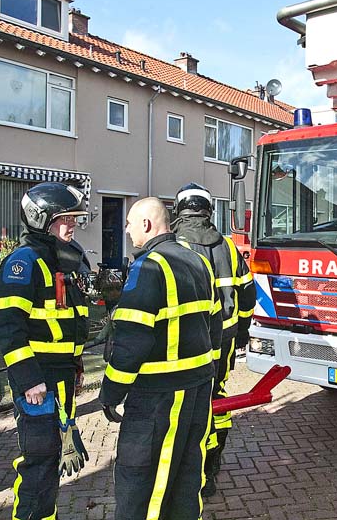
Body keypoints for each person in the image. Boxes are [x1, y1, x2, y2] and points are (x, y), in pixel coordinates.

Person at [99, 197, 222, 520]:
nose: (125, 230)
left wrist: (111, 394)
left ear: (147, 225)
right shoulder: (199, 262)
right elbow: (216, 324)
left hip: (158, 398)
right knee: (185, 478)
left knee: (143, 483)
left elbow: (131, 342)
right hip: (197, 390)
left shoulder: (149, 266)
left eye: (129, 223)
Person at [0, 182, 91, 520]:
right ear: (41, 219)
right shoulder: (24, 262)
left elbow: (69, 322)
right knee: (39, 459)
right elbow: (8, 327)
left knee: (54, 455)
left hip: (61, 375)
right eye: (64, 217)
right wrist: (28, 378)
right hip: (38, 380)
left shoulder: (60, 260)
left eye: (74, 217)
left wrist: (77, 367)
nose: (72, 224)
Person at [171, 182, 256, 497]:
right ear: (208, 210)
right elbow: (248, 292)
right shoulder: (229, 246)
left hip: (187, 339)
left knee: (187, 399)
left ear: (180, 210)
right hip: (226, 336)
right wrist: (244, 328)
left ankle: (189, 466)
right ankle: (213, 461)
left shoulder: (174, 245)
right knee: (217, 394)